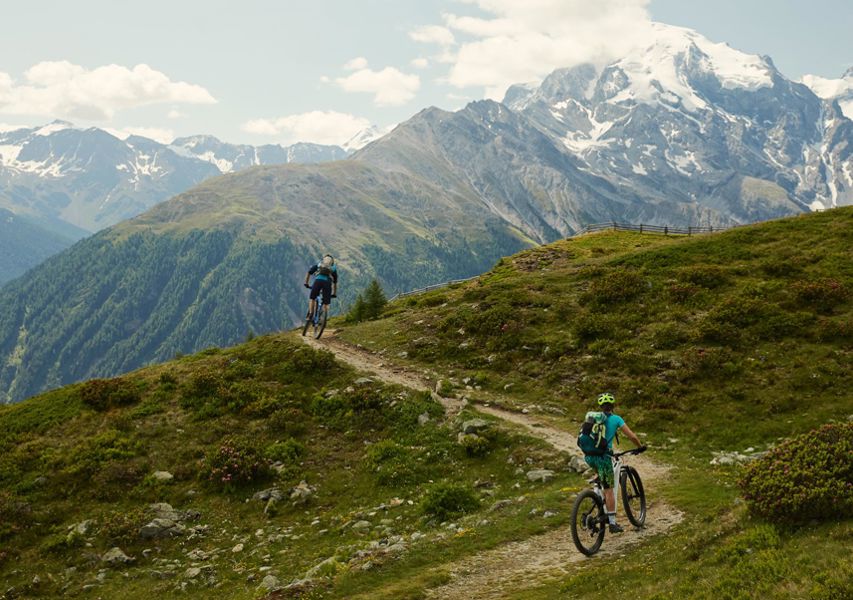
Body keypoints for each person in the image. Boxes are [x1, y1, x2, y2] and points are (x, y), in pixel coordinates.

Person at [584, 392, 646, 534]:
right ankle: (612, 523)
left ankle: (596, 496)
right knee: (609, 489)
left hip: (588, 456)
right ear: (612, 406)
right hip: (604, 457)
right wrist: (639, 446)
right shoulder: (616, 419)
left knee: (601, 478)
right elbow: (632, 436)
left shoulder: (593, 417)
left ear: (600, 406)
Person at [303, 254, 338, 323]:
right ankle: (323, 319)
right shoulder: (333, 268)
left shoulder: (319, 265)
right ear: (332, 261)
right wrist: (334, 293)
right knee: (326, 303)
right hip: (327, 283)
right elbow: (335, 282)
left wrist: (306, 283)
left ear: (324, 260)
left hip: (318, 281)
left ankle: (310, 313)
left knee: (312, 298)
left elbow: (309, 273)